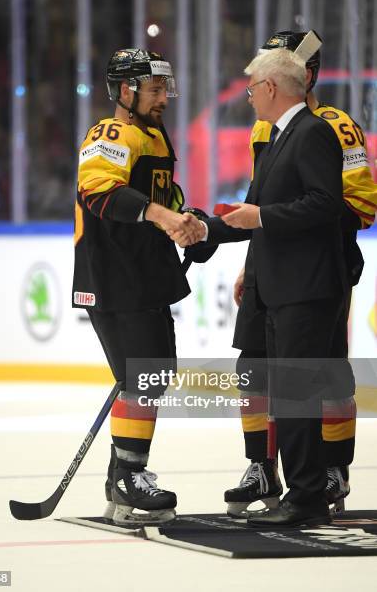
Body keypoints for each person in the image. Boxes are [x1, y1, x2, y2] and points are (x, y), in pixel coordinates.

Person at [171, 47, 349, 526]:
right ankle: (302, 493)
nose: (248, 98)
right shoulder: (277, 137)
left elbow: (326, 205)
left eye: (251, 89)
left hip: (306, 287)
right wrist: (205, 228)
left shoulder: (312, 132)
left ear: (271, 88)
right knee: (284, 395)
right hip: (278, 287)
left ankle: (307, 497)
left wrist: (264, 217)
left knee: (296, 395)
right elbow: (249, 212)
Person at [224, 31, 377, 519]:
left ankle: (329, 470)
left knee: (319, 377)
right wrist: (252, 259)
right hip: (273, 269)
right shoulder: (266, 129)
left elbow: (358, 206)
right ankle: (262, 465)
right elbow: (258, 201)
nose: (250, 94)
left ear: (298, 76)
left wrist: (293, 230)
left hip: (312, 271)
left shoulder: (330, 128)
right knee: (254, 368)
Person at [72, 48, 206, 525]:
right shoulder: (111, 133)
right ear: (126, 91)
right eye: (154, 89)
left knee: (153, 374)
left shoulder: (152, 137)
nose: (164, 98)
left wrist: (187, 223)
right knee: (143, 378)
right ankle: (129, 478)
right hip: (113, 274)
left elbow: (162, 199)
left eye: (165, 89)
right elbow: (98, 191)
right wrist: (164, 215)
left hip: (143, 271)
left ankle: (121, 477)